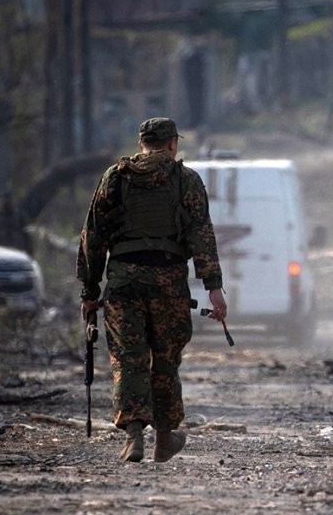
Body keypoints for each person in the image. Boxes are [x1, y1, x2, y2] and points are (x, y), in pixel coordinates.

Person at [77, 117, 227, 463]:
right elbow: (201, 236)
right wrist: (214, 288)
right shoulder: (185, 180)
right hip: (168, 282)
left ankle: (133, 437)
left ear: (142, 143)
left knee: (128, 360)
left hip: (124, 282)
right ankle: (163, 436)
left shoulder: (115, 178)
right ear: (172, 143)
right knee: (165, 361)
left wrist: (89, 290)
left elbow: (93, 235)